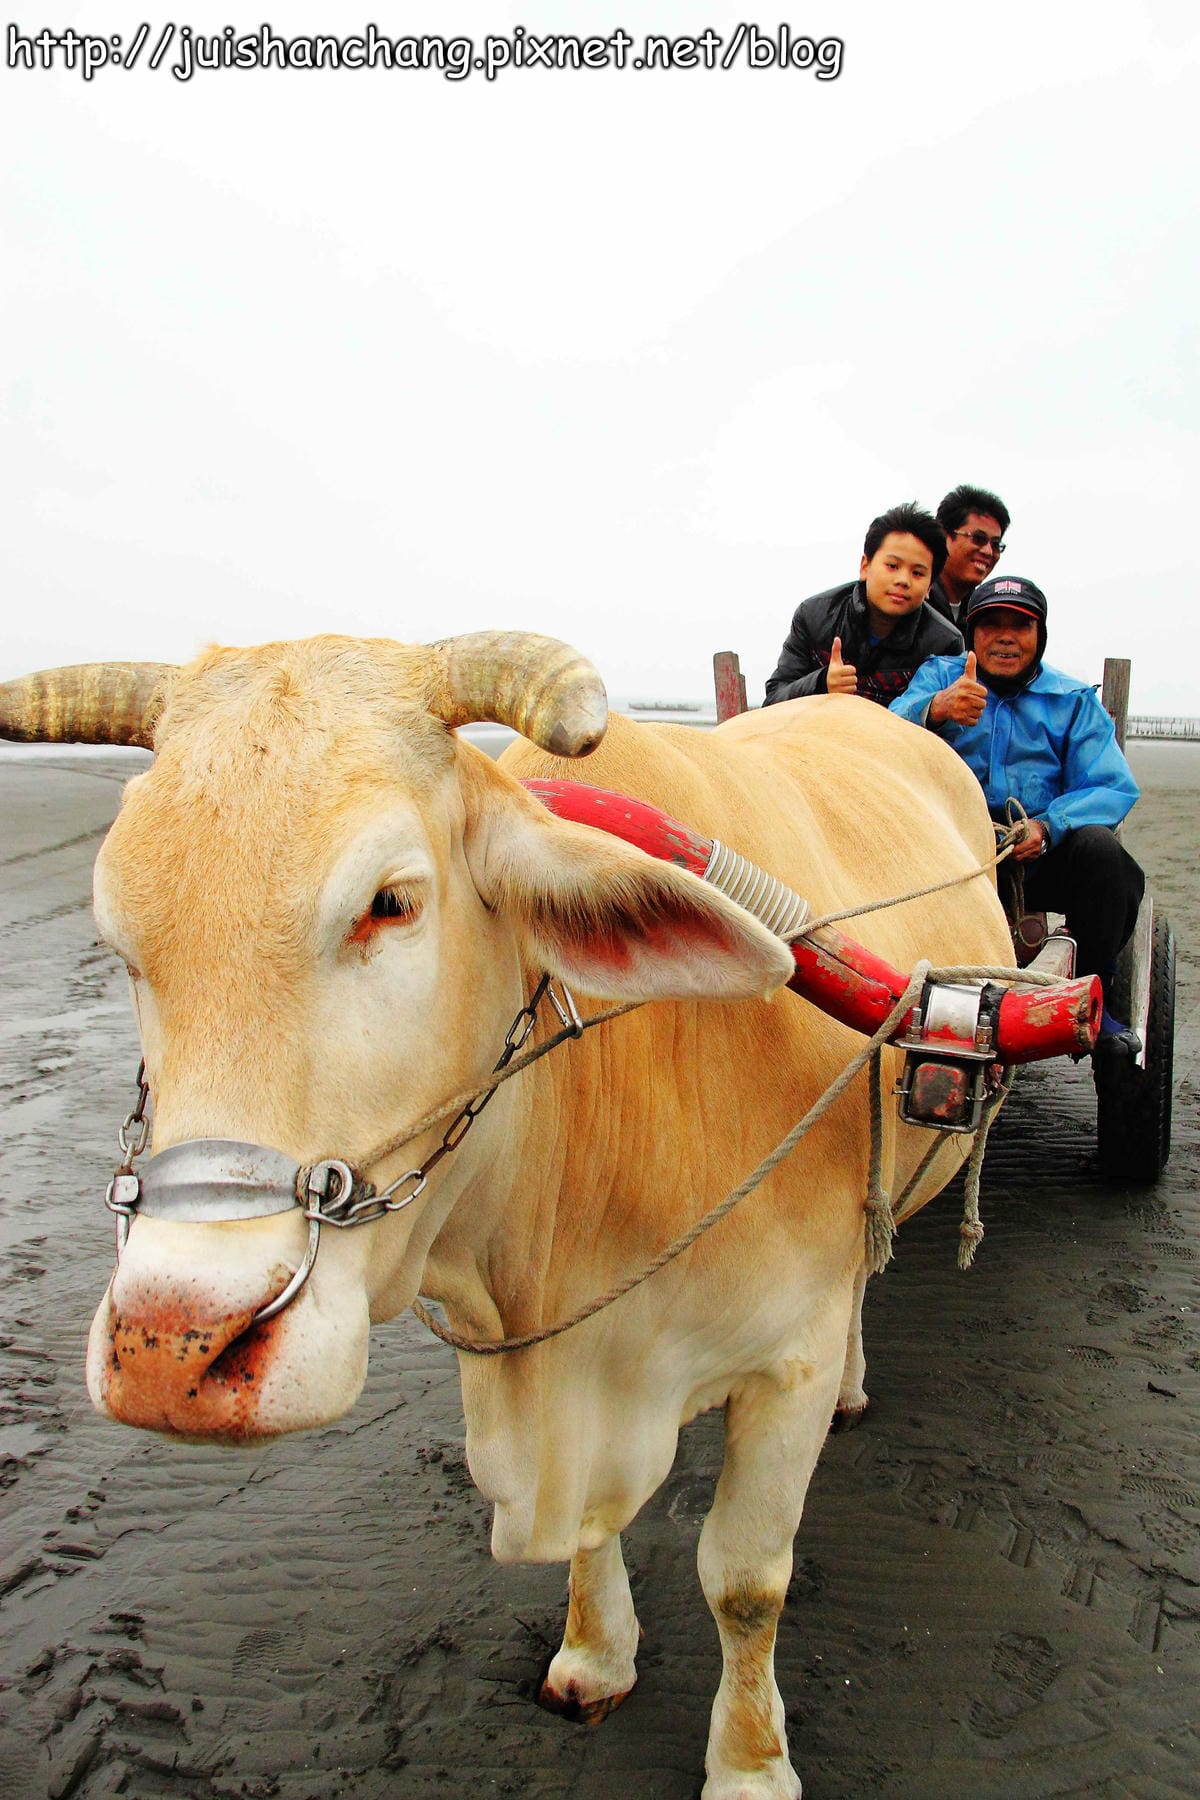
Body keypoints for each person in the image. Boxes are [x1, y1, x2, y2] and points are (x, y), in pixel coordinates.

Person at [890, 574, 1145, 1053]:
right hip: (946, 853)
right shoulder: (940, 678)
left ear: (1038, 637)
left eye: (1020, 626)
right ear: (972, 634)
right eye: (991, 625)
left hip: (1033, 852)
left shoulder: (1072, 702)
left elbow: (1111, 785)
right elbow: (886, 732)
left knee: (1105, 857)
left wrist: (1048, 827)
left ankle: (1096, 999)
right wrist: (936, 709)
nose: (1005, 637)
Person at [763, 502, 963, 710]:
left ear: (930, 586)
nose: (903, 580)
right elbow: (774, 700)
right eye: (892, 566)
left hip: (890, 741)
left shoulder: (945, 642)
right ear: (865, 566)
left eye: (918, 573)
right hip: (813, 737)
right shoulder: (815, 615)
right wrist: (822, 682)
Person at [926, 485, 1011, 627]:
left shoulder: (982, 615)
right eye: (978, 539)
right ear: (944, 536)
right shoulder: (912, 599)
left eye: (995, 544)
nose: (988, 551)